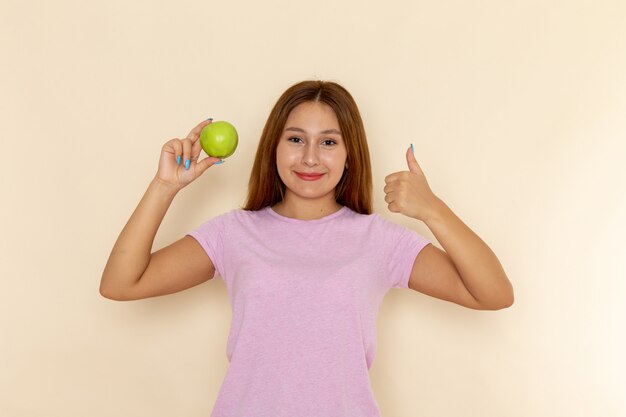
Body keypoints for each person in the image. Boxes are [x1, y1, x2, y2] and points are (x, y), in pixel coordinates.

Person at [100, 80, 514, 417]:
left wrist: (433, 210)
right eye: (296, 138)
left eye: (329, 142)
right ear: (274, 148)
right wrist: (164, 187)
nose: (310, 157)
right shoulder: (235, 233)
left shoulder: (378, 240)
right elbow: (121, 284)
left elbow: (493, 293)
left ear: (350, 154)